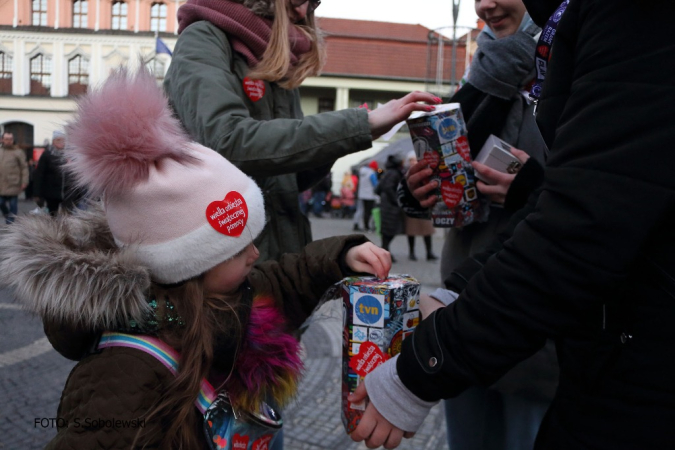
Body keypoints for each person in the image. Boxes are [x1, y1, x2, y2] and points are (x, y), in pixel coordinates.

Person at [0, 67, 392, 449]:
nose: (255, 254)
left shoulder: (229, 292)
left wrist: (341, 255)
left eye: (252, 239)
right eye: (237, 249)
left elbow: (286, 280)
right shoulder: (125, 373)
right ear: (187, 263)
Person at [349, 0, 675, 448]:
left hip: (543, 317)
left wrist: (529, 186)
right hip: (476, 301)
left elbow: (590, 205)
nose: (486, 4)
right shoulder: (479, 81)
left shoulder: (607, 35)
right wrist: (419, 190)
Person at [164, 0, 440, 262]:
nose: (303, 11)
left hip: (278, 260)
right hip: (220, 266)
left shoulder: (277, 60)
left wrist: (353, 137)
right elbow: (227, 141)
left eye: (315, 1)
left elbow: (289, 177)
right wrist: (356, 125)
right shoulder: (204, 38)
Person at [402, 151, 436, 262]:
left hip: (423, 206)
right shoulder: (405, 173)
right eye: (411, 160)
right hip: (411, 205)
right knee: (411, 231)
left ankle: (429, 252)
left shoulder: (425, 172)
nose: (413, 162)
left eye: (414, 160)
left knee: (427, 231)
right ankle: (411, 252)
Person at [377, 155, 405, 263]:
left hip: (386, 203)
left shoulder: (388, 172)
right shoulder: (394, 173)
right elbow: (388, 187)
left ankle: (384, 250)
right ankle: (384, 250)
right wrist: (396, 200)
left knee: (387, 230)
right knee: (390, 229)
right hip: (390, 205)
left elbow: (379, 188)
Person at [0, 131, 29, 224]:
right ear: (2, 140)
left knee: (13, 205)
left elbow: (24, 167)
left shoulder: (18, 152)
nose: (8, 141)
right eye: (6, 139)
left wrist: (24, 181)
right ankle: (7, 215)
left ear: (13, 140)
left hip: (13, 183)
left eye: (10, 139)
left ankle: (10, 222)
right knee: (1, 203)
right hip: (1, 183)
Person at [355, 160, 379, 232]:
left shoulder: (362, 172)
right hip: (370, 195)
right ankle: (367, 226)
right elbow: (375, 184)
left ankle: (362, 225)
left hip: (362, 194)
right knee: (369, 211)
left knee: (363, 210)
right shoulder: (371, 173)